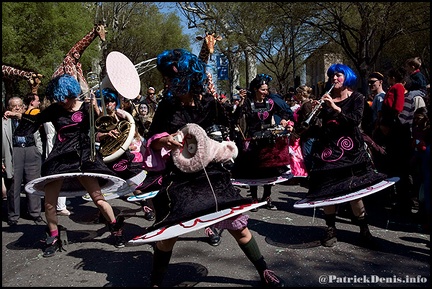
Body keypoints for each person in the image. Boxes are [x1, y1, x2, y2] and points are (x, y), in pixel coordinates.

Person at [143, 48, 285, 287]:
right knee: (169, 234)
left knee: (238, 227)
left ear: (185, 78)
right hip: (180, 178)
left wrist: (221, 149)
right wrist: (165, 140)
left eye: (169, 77)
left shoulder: (211, 104)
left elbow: (227, 134)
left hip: (212, 174)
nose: (165, 82)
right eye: (165, 77)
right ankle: (156, 283)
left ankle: (263, 270)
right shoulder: (167, 106)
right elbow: (152, 139)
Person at [6, 74, 127, 256]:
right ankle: (53, 235)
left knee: (99, 199)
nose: (63, 103)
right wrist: (18, 113)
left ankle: (115, 228)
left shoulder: (87, 107)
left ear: (72, 93)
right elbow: (34, 120)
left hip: (83, 157)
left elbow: (104, 125)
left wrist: (95, 108)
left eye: (66, 99)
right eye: (59, 99)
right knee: (49, 204)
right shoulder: (55, 109)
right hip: (60, 157)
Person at [304, 64, 388, 249]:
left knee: (354, 193)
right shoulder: (325, 99)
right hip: (328, 151)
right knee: (328, 191)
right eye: (332, 76)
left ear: (347, 77)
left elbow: (354, 121)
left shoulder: (357, 98)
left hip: (350, 152)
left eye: (338, 75)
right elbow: (320, 127)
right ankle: (331, 228)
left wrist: (334, 107)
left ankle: (364, 229)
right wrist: (314, 113)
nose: (334, 79)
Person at [232, 74, 291, 211]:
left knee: (269, 170)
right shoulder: (247, 102)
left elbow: (285, 111)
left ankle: (267, 197)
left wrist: (283, 119)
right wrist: (240, 102)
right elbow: (235, 118)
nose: (266, 92)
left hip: (269, 140)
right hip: (253, 140)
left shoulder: (270, 102)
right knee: (253, 171)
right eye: (263, 89)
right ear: (255, 89)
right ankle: (253, 198)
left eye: (266, 89)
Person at [2, 94, 44, 226]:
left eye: (19, 106)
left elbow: (38, 134)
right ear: (8, 108)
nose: (17, 108)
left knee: (33, 183)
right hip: (14, 152)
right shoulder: (4, 122)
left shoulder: (29, 119)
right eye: (13, 106)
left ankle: (35, 213)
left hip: (31, 151)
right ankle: (13, 216)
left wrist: (38, 151)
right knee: (13, 184)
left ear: (23, 107)